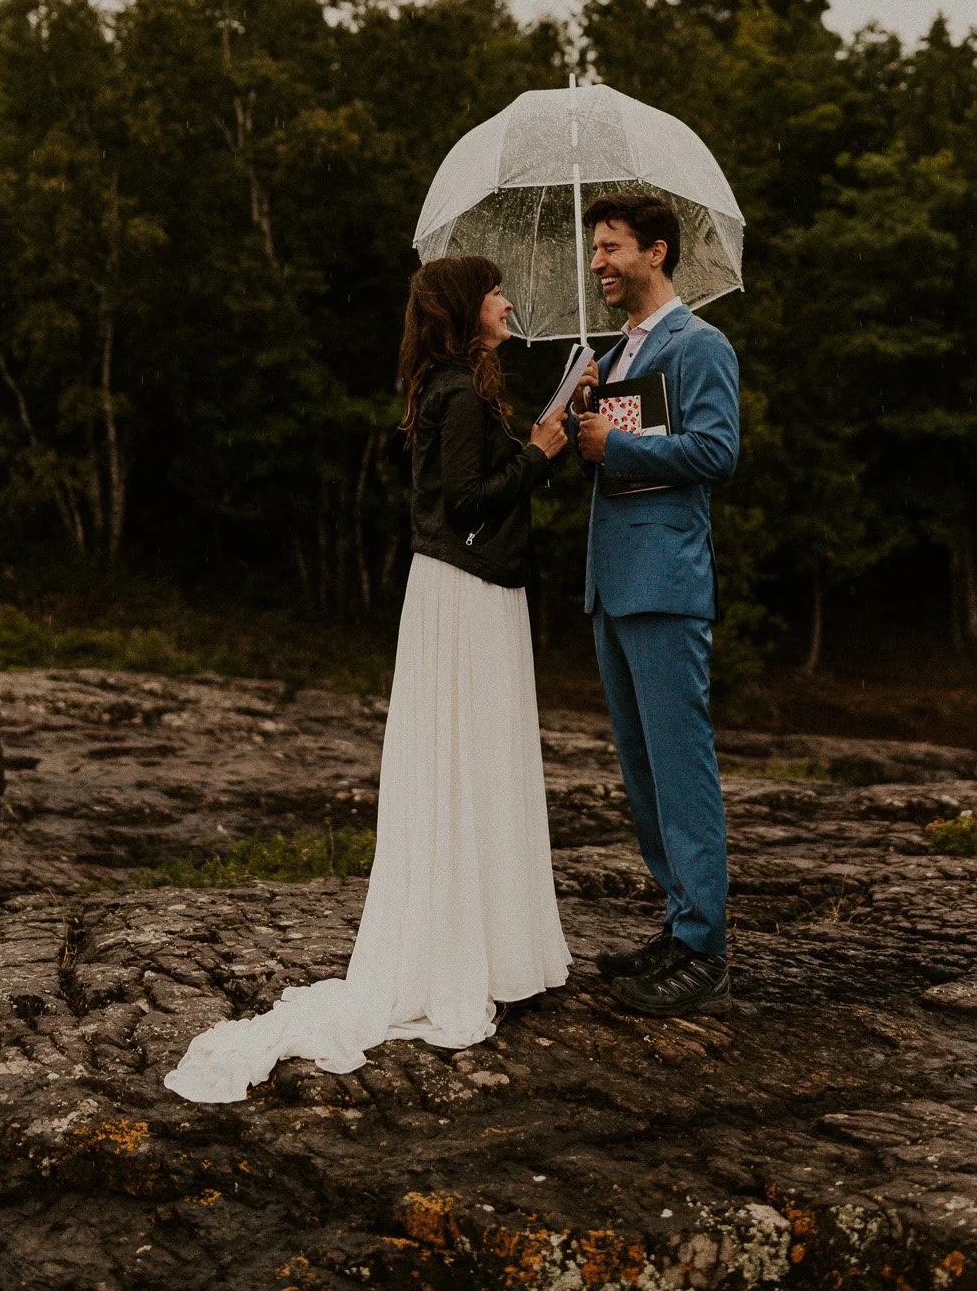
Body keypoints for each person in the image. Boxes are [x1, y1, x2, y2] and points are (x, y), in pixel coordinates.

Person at [165, 255, 571, 1098]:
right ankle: (470, 952)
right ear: (467, 308)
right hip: (465, 594)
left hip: (464, 591)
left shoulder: (454, 386)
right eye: (494, 292)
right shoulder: (457, 392)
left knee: (472, 762)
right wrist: (539, 452)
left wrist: (535, 438)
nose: (506, 301)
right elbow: (462, 506)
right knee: (470, 759)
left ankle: (485, 940)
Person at [569, 192, 740, 1017]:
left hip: (666, 584)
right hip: (613, 582)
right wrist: (582, 420)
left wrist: (618, 443)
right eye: (595, 248)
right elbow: (612, 457)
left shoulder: (698, 342)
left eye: (610, 248)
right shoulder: (612, 350)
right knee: (641, 774)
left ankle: (704, 950)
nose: (596, 263)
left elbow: (715, 449)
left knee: (680, 767)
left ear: (656, 252)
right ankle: (678, 926)